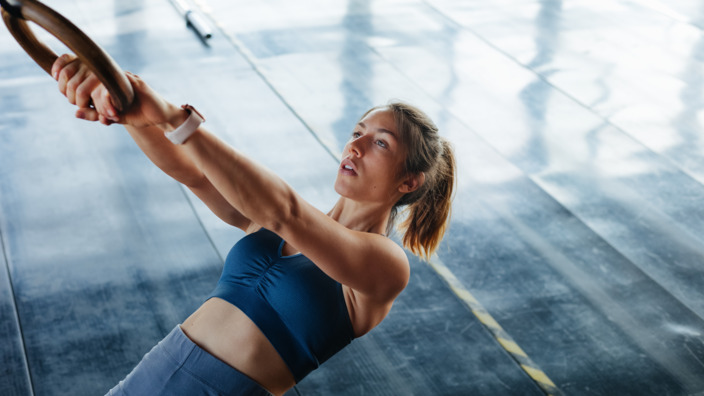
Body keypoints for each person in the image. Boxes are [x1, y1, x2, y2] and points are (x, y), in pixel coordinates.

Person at [51, 53, 456, 396]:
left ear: (408, 182)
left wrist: (174, 117)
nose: (355, 146)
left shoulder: (386, 265)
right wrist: (126, 107)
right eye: (357, 132)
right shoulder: (275, 224)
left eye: (380, 142)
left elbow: (287, 212)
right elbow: (194, 173)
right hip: (148, 377)